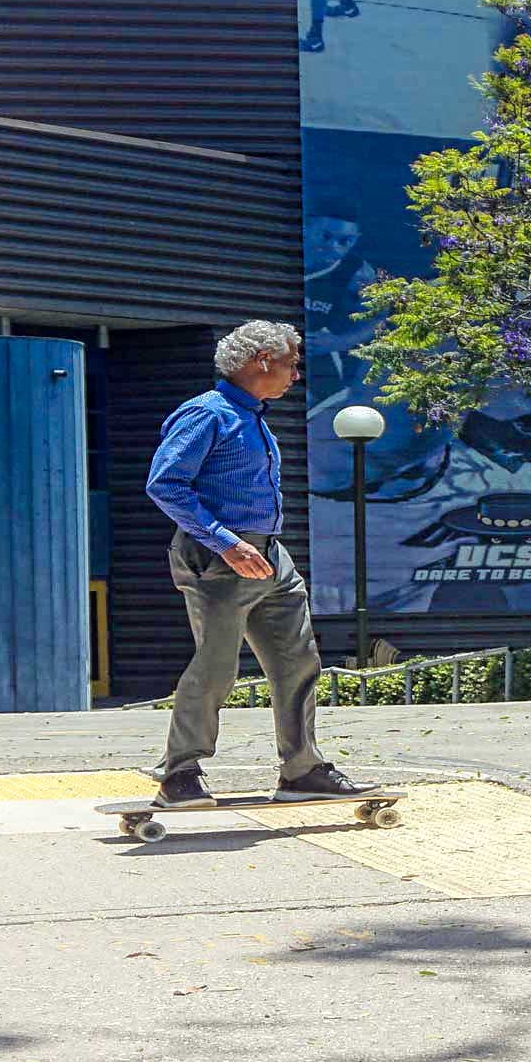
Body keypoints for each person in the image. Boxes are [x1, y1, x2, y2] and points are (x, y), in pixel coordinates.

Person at [142, 321, 376, 809]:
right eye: (291, 363)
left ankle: (302, 770)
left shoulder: (255, 417)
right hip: (218, 557)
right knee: (217, 666)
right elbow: (166, 484)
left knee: (298, 662)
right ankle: (178, 774)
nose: (296, 375)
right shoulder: (207, 414)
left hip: (270, 554)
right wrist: (226, 542)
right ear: (261, 361)